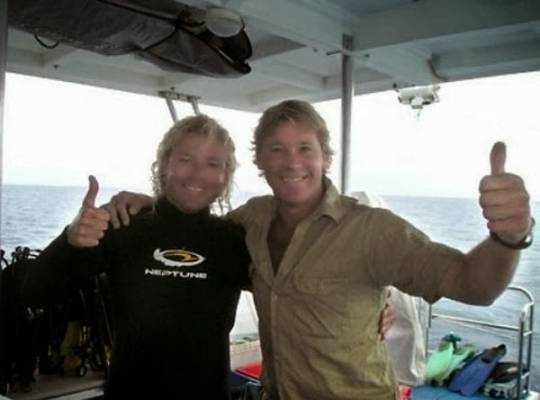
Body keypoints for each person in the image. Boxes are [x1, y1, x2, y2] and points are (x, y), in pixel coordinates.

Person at [104, 100, 533, 400]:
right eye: (278, 150)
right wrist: (150, 205)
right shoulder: (248, 222)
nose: (292, 162)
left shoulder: (372, 230)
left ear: (325, 156)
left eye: (304, 148)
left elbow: (473, 285)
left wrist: (508, 237)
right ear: (261, 162)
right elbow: (196, 236)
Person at [21, 115, 251, 399]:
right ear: (164, 164)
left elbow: (290, 297)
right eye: (186, 159)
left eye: (212, 164)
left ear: (225, 176)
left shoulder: (234, 240)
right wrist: (69, 239)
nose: (197, 174)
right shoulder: (123, 225)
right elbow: (33, 293)